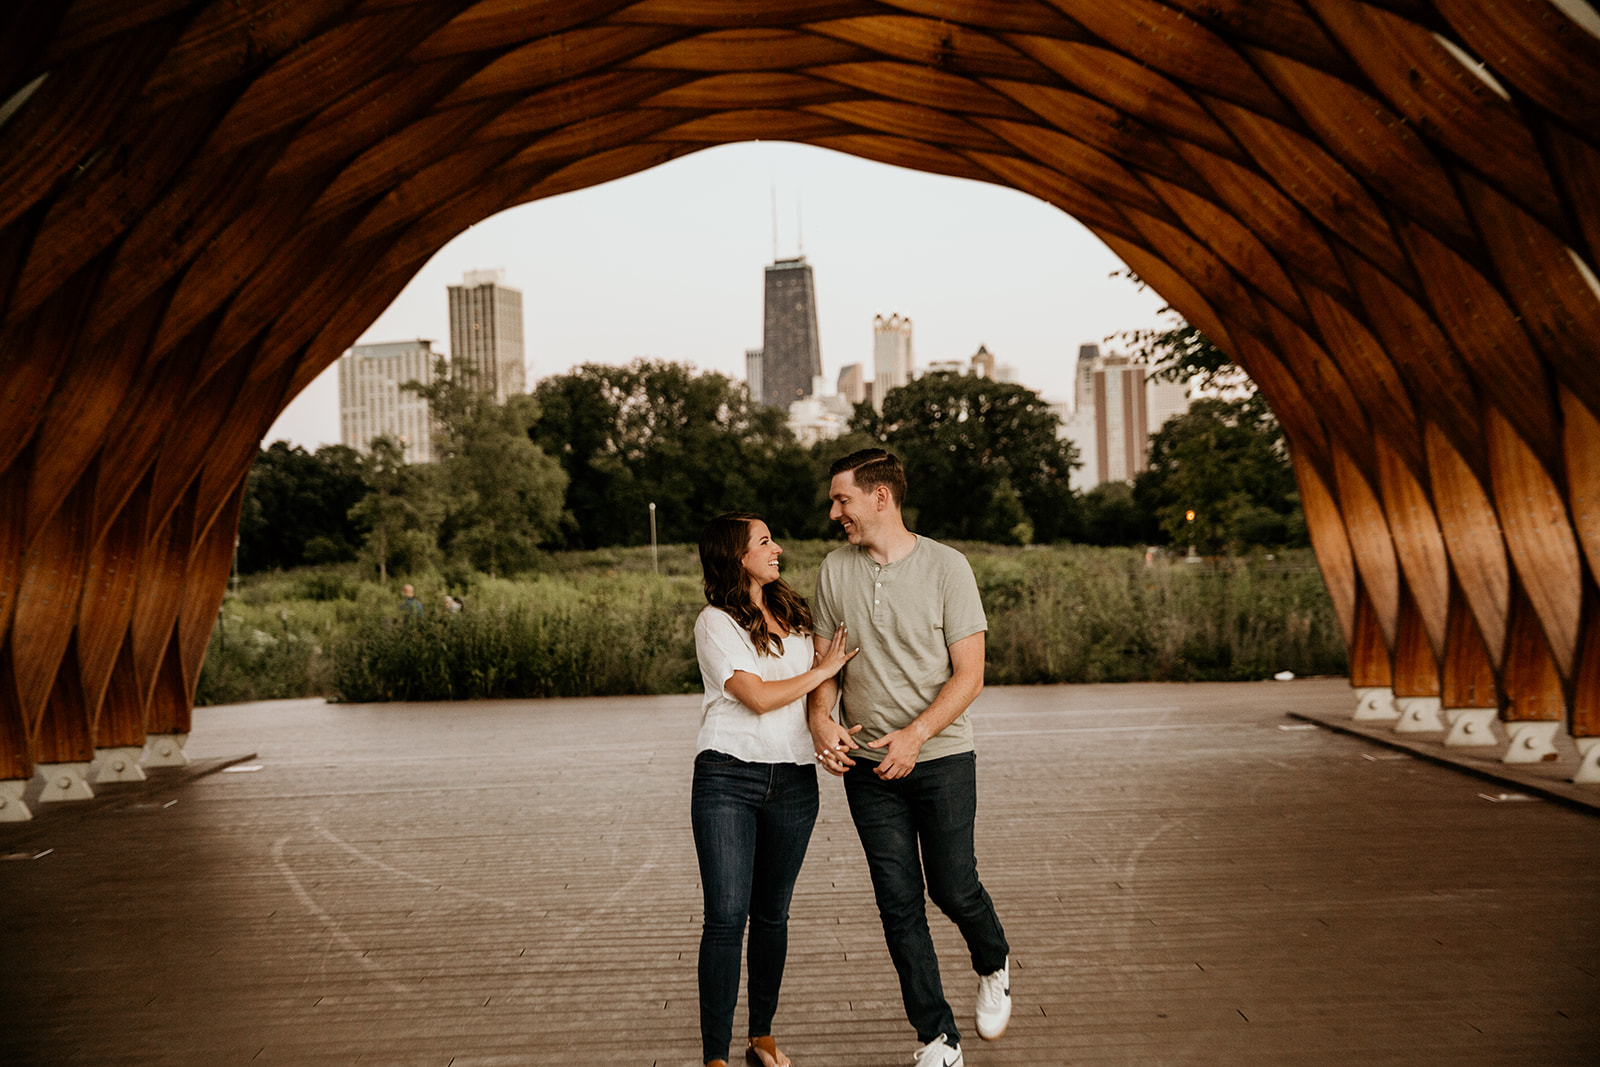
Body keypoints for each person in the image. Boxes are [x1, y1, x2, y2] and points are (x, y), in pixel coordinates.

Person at [806, 449, 1011, 1067]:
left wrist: (915, 736)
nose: (834, 511)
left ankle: (993, 961)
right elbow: (827, 671)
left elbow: (970, 675)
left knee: (953, 887)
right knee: (897, 901)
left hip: (941, 757)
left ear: (880, 498)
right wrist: (821, 718)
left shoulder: (948, 567)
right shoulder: (833, 571)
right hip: (867, 767)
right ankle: (938, 1037)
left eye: (842, 499)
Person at [692, 512, 859, 1067]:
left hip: (792, 780)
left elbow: (822, 689)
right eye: (764, 542)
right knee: (725, 916)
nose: (777, 548)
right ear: (737, 555)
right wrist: (822, 669)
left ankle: (760, 1035)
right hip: (727, 777)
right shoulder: (715, 622)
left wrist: (825, 720)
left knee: (771, 916)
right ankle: (716, 1055)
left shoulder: (791, 610)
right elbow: (757, 697)